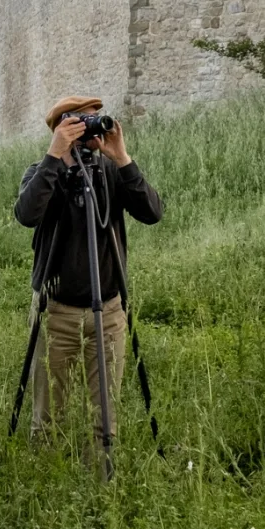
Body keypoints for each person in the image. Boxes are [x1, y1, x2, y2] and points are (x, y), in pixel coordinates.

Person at [14, 94, 163, 465]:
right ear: (60, 128)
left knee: (106, 419)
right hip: (56, 310)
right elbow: (26, 214)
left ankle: (103, 486)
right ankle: (44, 484)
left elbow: (152, 212)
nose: (91, 128)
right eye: (81, 121)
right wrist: (55, 158)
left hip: (109, 310)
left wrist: (122, 158)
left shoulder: (110, 171)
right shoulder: (40, 172)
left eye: (96, 120)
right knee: (46, 419)